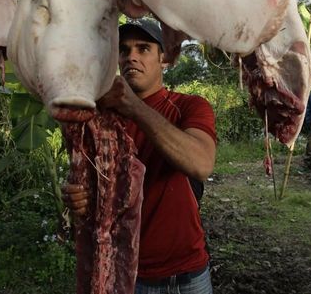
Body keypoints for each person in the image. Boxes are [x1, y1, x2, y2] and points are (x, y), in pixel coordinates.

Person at [62, 18, 217, 294]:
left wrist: (135, 108)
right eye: (124, 50)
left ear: (165, 58)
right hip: (127, 274)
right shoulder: (100, 120)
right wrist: (78, 197)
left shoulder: (189, 106)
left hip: (186, 275)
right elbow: (93, 186)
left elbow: (201, 164)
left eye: (143, 48)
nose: (131, 56)